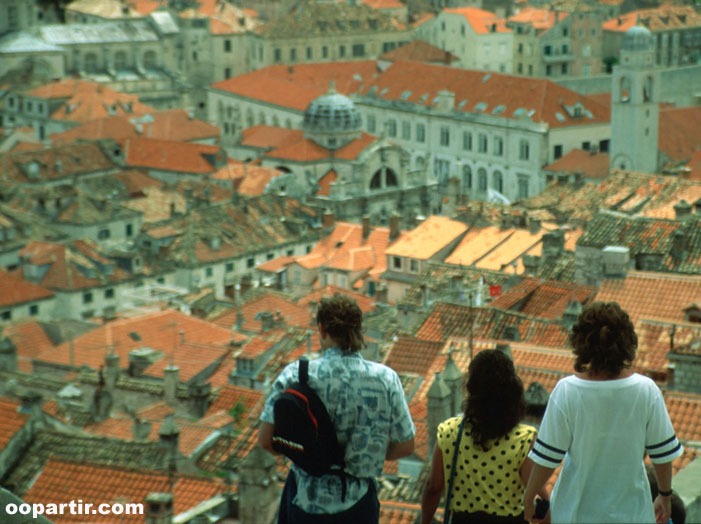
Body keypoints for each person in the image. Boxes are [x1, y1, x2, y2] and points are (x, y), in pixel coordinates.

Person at [258, 293, 416, 523]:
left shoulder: (297, 375)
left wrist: (303, 455)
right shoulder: (386, 379)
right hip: (358, 503)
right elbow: (406, 446)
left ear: (321, 330)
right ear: (359, 330)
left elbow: (265, 440)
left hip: (305, 500)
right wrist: (370, 452)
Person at [524, 301, 683, 524]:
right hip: (632, 513)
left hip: (575, 514)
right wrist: (664, 496)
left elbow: (547, 458)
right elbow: (663, 454)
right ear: (628, 342)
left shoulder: (567, 391)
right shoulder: (646, 391)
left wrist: (529, 496)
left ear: (581, 342)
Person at [420, 349, 549, 524]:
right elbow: (533, 491)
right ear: (511, 390)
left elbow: (433, 487)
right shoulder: (523, 439)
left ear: (470, 388)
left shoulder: (449, 432)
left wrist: (425, 521)